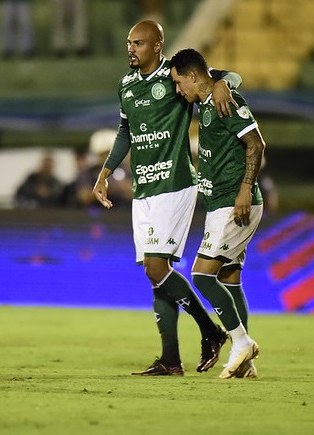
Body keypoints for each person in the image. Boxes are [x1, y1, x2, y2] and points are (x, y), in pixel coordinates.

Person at [92, 20, 242, 376]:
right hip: (143, 188)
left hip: (174, 184)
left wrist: (222, 83)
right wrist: (105, 172)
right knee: (154, 272)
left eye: (139, 43)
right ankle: (171, 359)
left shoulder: (174, 75)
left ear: (158, 46)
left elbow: (230, 76)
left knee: (158, 267)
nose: (131, 48)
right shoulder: (125, 85)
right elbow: (125, 131)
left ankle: (210, 331)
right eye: (129, 42)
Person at [170, 48, 264, 379]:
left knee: (201, 275)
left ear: (192, 76)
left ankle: (240, 343)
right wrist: (223, 79)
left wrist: (243, 190)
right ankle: (247, 364)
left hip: (233, 202)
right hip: (220, 204)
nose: (179, 90)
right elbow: (224, 76)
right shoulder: (213, 96)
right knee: (229, 278)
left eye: (179, 83)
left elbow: (256, 144)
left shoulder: (227, 100)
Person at [62, 129, 132, 208]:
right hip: (96, 214)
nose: (108, 158)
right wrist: (109, 188)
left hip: (122, 214)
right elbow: (84, 196)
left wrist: (126, 188)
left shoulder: (124, 170)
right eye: (104, 154)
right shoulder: (88, 172)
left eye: (110, 153)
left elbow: (135, 192)